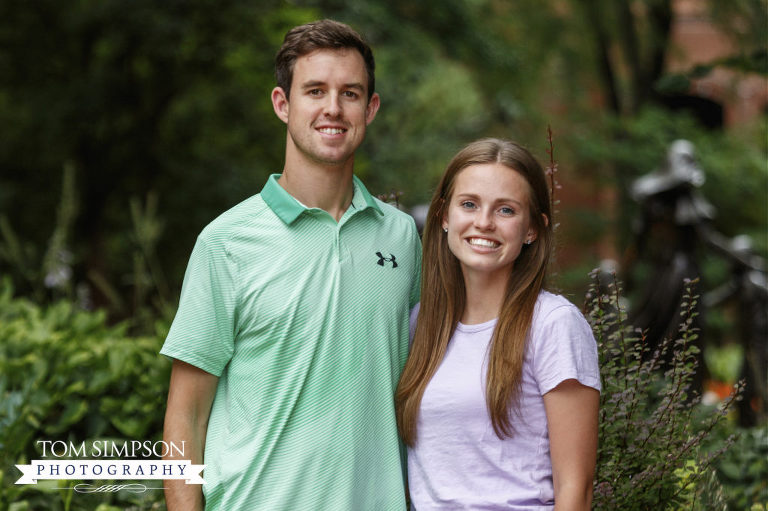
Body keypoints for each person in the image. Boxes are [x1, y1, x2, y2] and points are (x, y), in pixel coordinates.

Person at [160, 19, 421, 510]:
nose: (332, 108)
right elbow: (186, 417)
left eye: (350, 93)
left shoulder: (402, 237)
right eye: (315, 90)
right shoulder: (226, 243)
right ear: (283, 104)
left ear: (371, 108)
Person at [396, 138, 600, 510]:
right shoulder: (419, 325)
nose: (484, 222)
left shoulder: (553, 325)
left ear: (532, 229)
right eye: (469, 204)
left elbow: (576, 488)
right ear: (444, 215)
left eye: (505, 210)